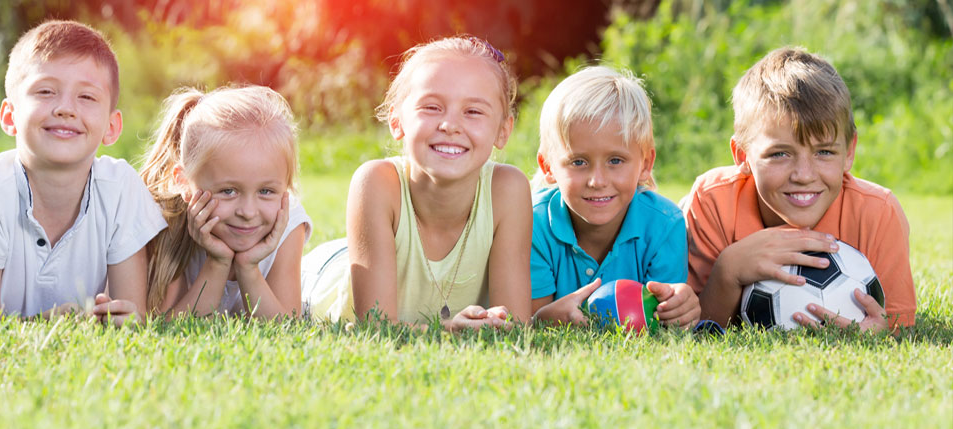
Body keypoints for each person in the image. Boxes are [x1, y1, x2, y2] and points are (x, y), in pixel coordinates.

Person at [304, 36, 532, 330]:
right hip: (322, 278)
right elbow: (376, 326)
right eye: (432, 107)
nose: (450, 125)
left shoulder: (508, 189)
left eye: (473, 111)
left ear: (503, 130)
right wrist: (449, 330)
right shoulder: (376, 183)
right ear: (397, 120)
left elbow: (514, 324)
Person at [681, 47, 915, 333]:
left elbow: (901, 327)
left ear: (849, 152)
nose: (804, 175)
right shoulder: (712, 200)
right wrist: (728, 270)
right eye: (780, 154)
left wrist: (879, 331)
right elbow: (690, 327)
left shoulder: (878, 213)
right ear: (742, 155)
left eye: (825, 152)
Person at [0, 21, 166, 325]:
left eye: (87, 97)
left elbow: (132, 314)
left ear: (112, 126)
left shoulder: (121, 188)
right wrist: (47, 323)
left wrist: (123, 319)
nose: (66, 108)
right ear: (10, 116)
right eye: (46, 91)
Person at [528, 66, 700, 328]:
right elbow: (527, 322)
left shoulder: (665, 225)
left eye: (616, 160)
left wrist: (678, 309)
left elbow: (665, 324)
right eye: (578, 162)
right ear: (548, 166)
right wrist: (546, 318)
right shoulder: (534, 225)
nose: (597, 181)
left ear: (645, 163)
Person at [139, 86, 311, 318]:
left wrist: (248, 269)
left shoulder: (289, 223)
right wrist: (217, 264)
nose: (248, 212)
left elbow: (287, 327)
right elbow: (166, 327)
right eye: (228, 191)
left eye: (266, 191)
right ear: (184, 183)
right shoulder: (169, 221)